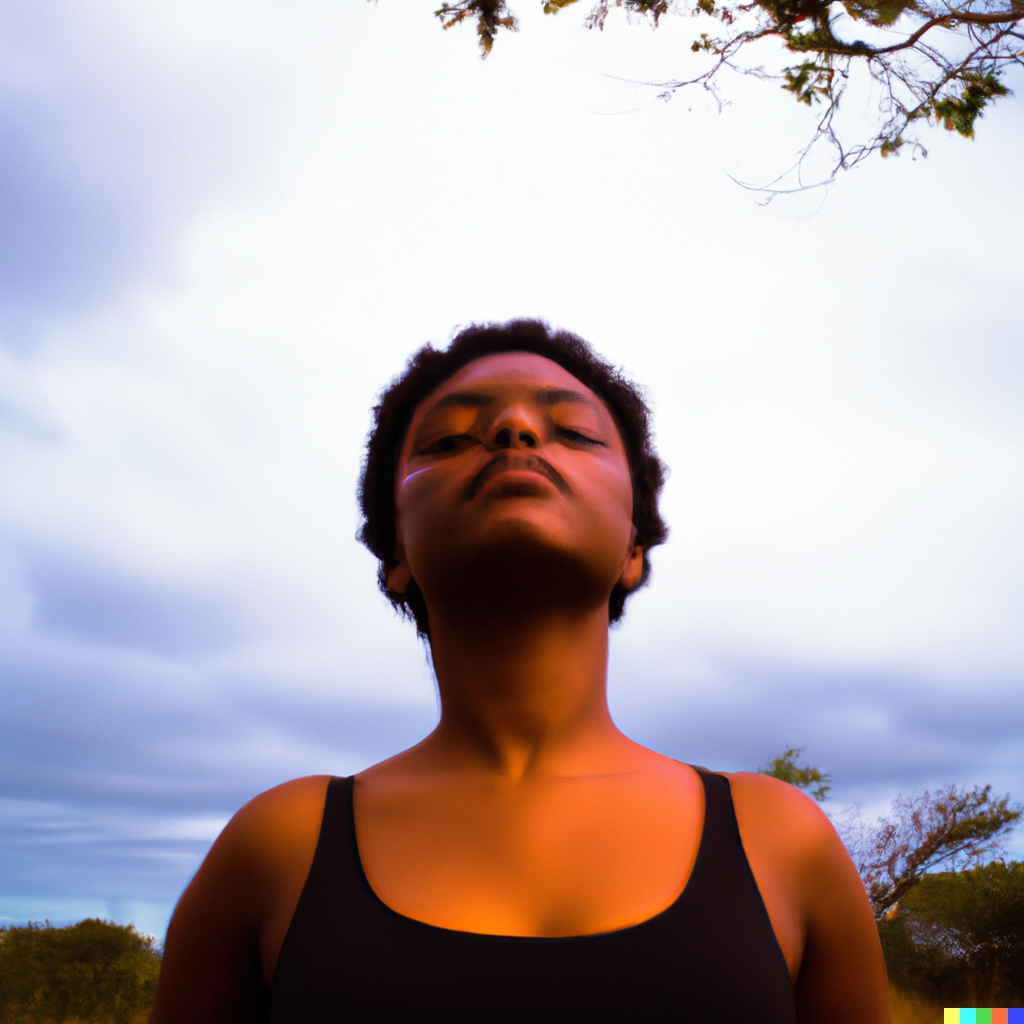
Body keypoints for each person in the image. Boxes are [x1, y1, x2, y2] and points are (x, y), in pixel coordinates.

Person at [151, 320, 890, 1023]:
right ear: (396, 555)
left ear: (635, 546)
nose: (514, 432)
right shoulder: (280, 845)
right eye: (448, 439)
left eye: (572, 432)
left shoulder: (782, 840)